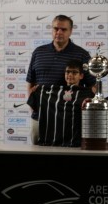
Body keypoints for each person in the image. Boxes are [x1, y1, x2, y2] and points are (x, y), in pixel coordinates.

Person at [26, 15, 94, 144]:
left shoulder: (82, 54)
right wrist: (33, 105)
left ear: (71, 31)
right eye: (56, 28)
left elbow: (92, 87)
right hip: (40, 118)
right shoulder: (38, 52)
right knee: (36, 157)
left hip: (68, 121)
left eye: (63, 29)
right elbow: (31, 82)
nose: (59, 32)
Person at [27, 60, 93, 147]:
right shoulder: (46, 91)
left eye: (74, 72)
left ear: (81, 76)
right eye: (68, 72)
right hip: (50, 142)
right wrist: (36, 92)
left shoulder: (87, 94)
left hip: (75, 143)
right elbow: (34, 106)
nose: (70, 75)